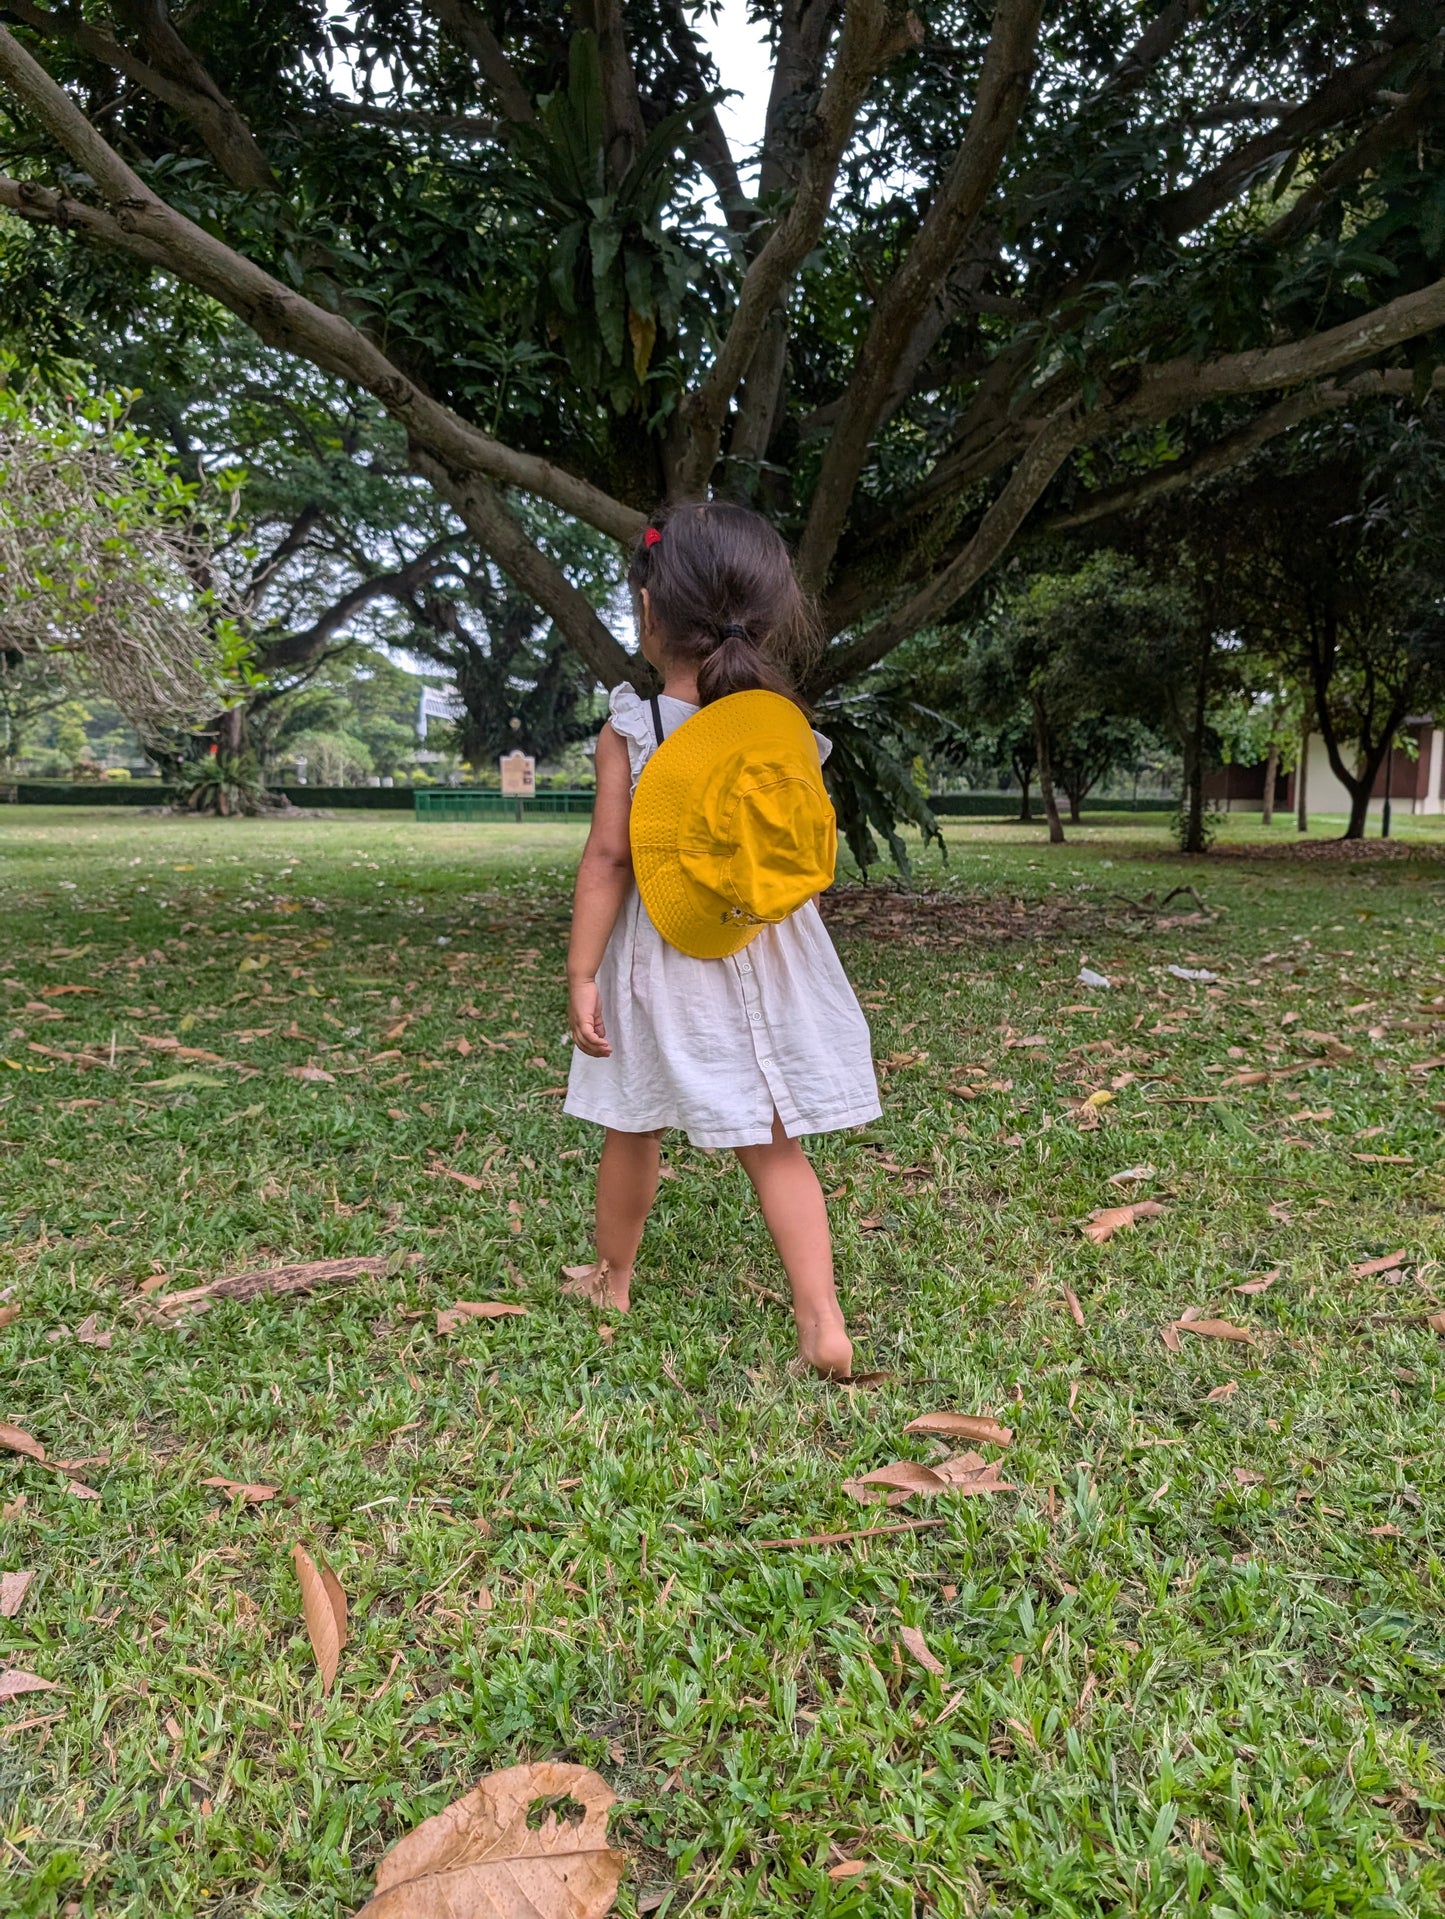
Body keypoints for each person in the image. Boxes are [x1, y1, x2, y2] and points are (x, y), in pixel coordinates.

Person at [562, 501, 881, 1378]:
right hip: (766, 945)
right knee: (774, 1141)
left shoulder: (632, 730)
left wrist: (581, 969)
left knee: (633, 1121)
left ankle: (611, 1279)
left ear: (647, 609)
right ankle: (821, 1320)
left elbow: (611, 856)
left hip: (663, 950)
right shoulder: (783, 730)